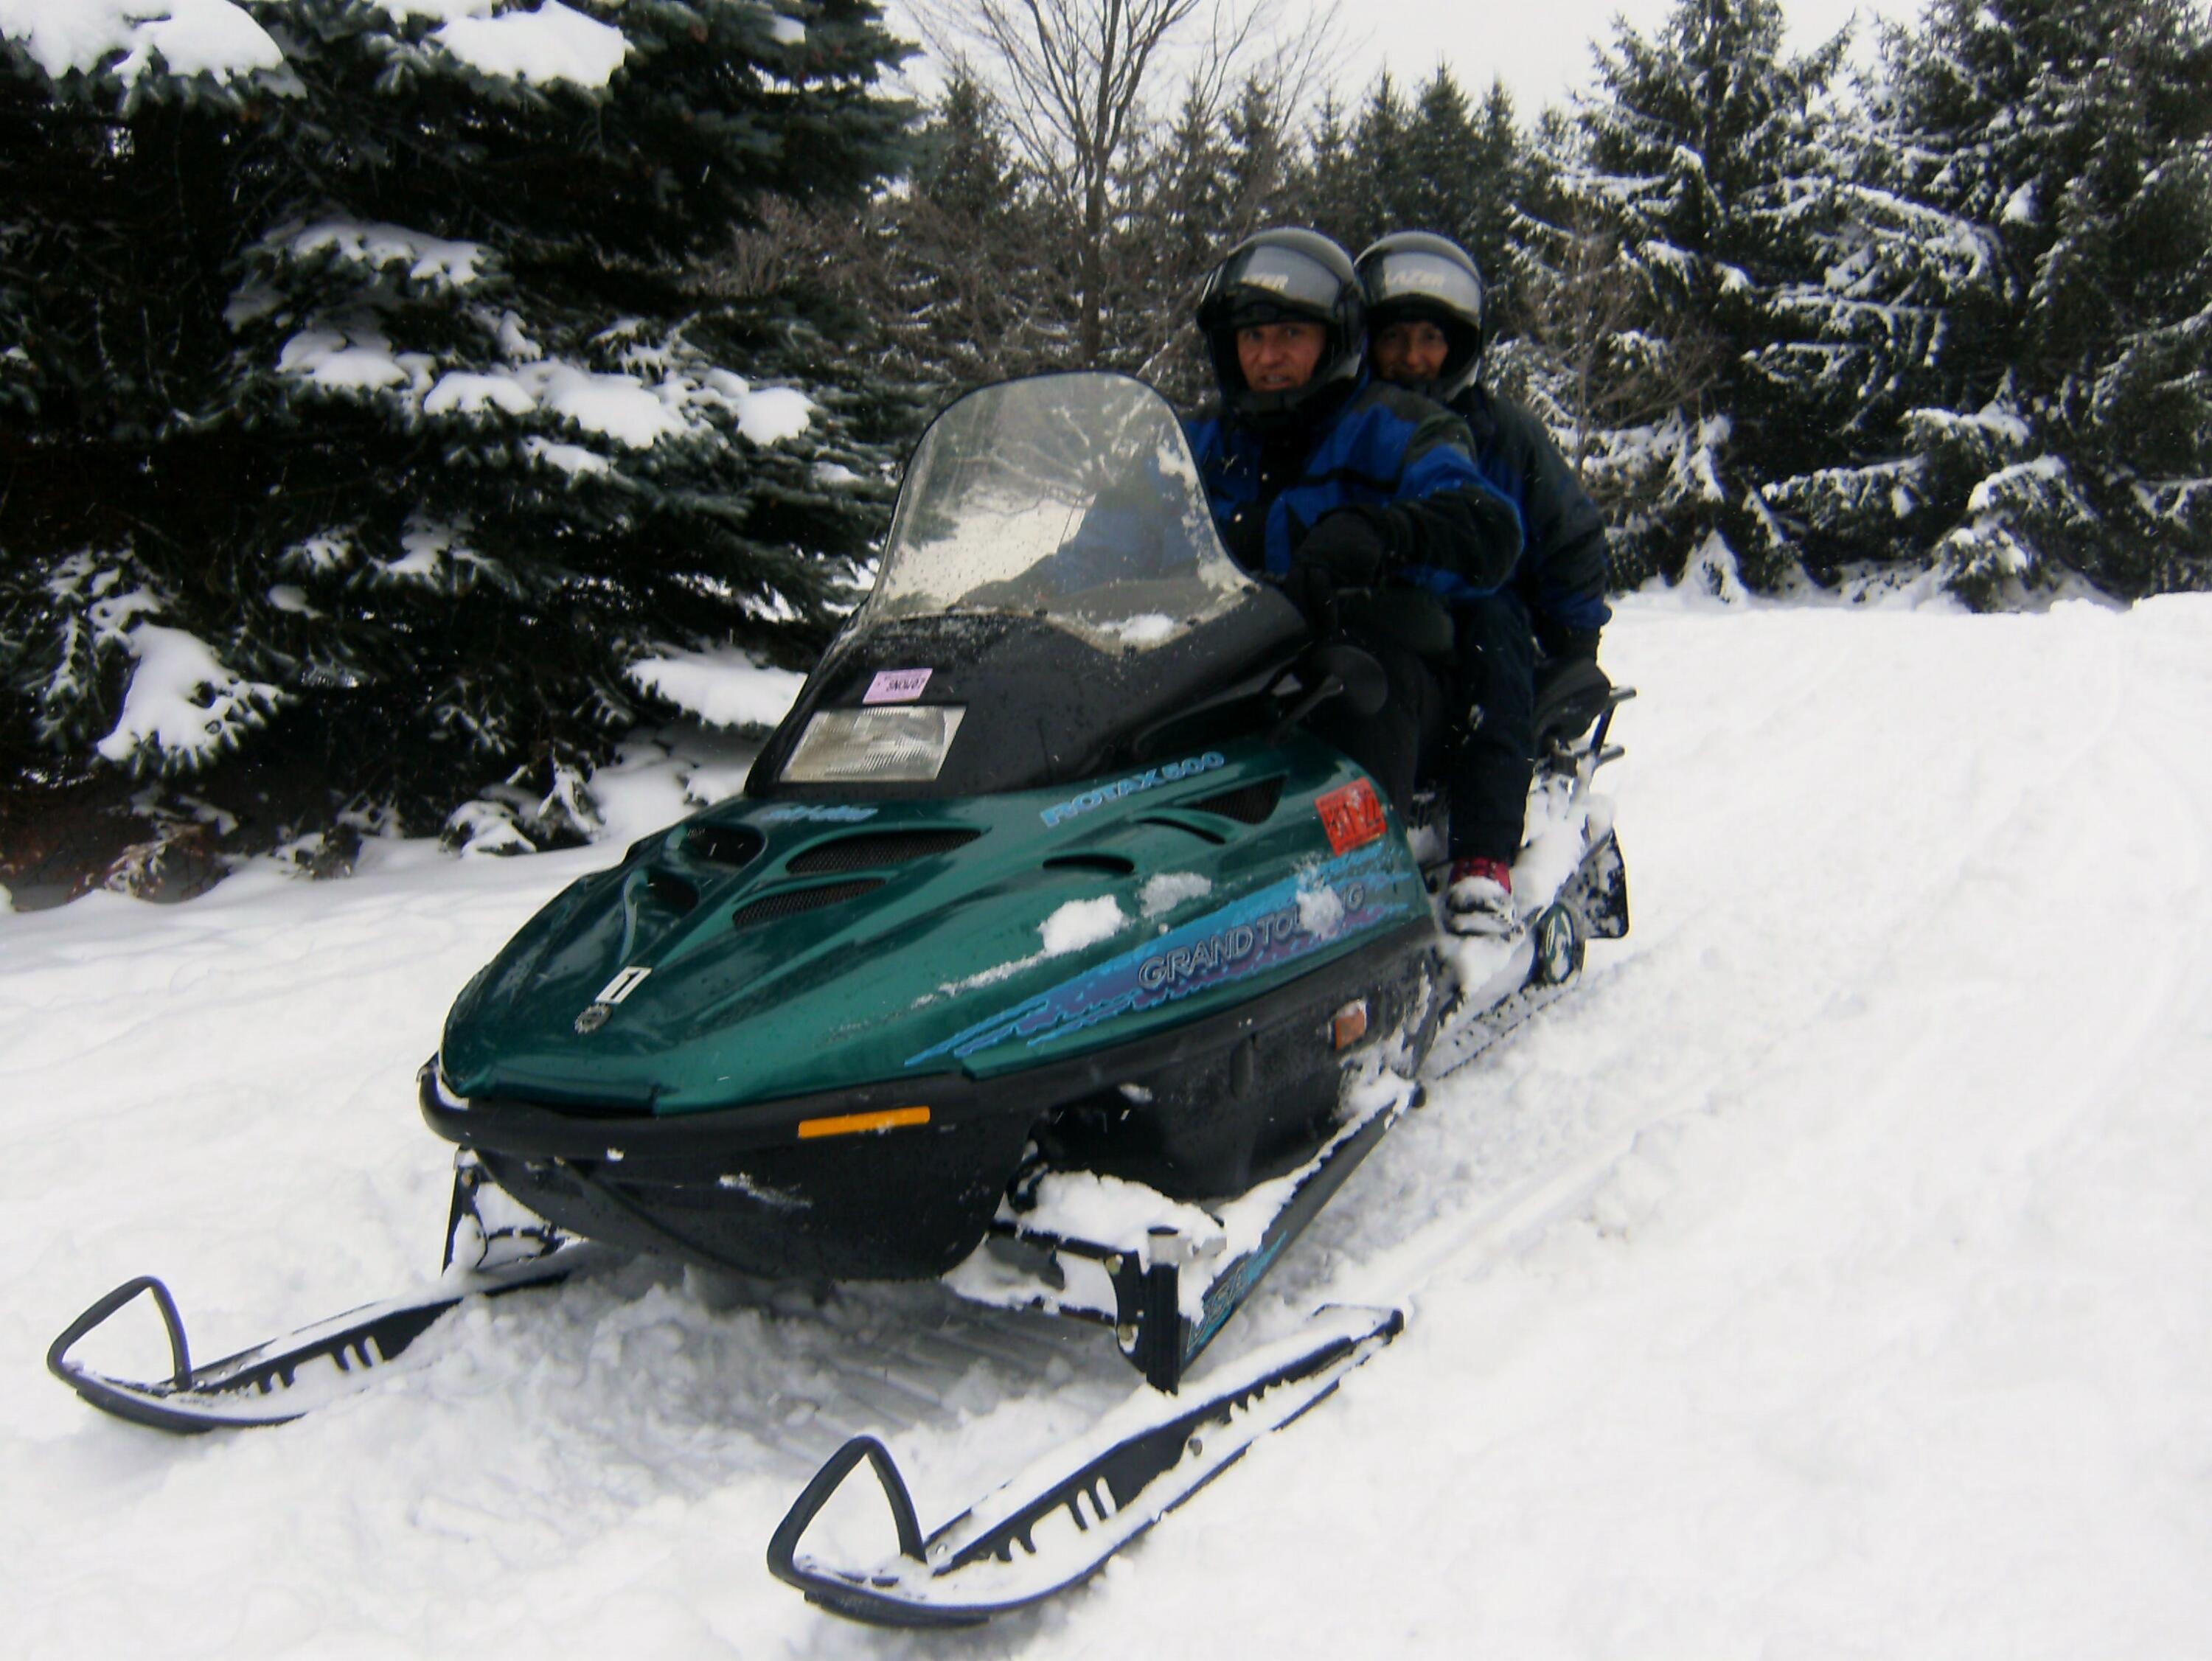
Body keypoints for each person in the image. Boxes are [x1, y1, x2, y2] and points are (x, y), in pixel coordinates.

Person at [1182, 229, 1526, 923]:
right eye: (1251, 338)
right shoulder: (1205, 444)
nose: (1268, 356)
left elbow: (1486, 523)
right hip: (1234, 668)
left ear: (1336, 338)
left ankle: (1358, 904)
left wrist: (1384, 532)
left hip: (1378, 678)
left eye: (1288, 333)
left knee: (1356, 669)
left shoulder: (1395, 426)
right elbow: (1117, 519)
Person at [1354, 231, 1613, 935]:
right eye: (1397, 337)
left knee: (1498, 645)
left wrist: (1573, 641)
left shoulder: (1502, 434)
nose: (1413, 357)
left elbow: (1570, 533)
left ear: (1461, 345)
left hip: (1478, 611)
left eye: (1431, 339)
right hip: (1378, 613)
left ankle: (1482, 859)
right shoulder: (1349, 428)